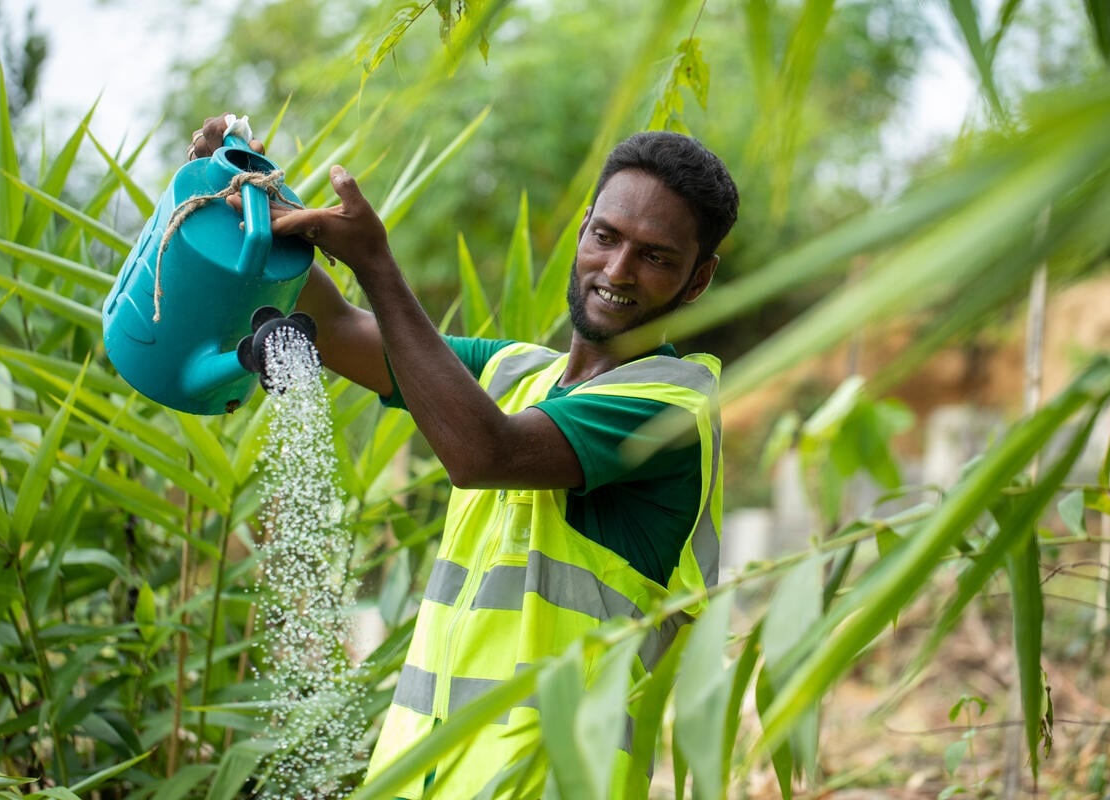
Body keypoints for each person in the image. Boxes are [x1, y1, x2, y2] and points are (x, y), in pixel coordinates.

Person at [192, 115, 739, 799]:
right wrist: (240, 196)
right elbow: (333, 329)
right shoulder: (513, 377)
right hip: (416, 777)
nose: (618, 271)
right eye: (606, 237)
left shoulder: (673, 407)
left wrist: (376, 263)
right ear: (582, 233)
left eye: (657, 257)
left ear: (698, 279)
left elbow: (485, 453)